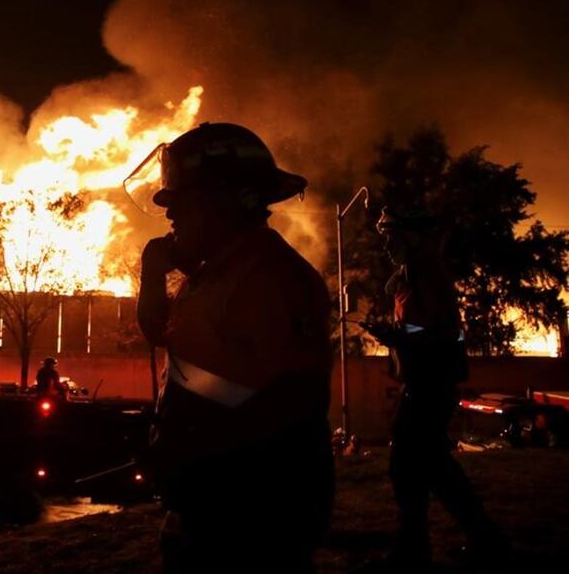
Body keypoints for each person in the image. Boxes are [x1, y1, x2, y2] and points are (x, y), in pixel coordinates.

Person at [128, 122, 334, 572]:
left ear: (225, 201)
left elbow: (296, 402)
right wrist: (152, 274)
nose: (170, 216)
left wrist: (195, 450)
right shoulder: (215, 273)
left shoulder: (272, 278)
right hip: (207, 497)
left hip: (255, 509)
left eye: (180, 202)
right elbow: (163, 335)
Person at [363, 207, 506, 569]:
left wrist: (392, 334)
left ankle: (418, 549)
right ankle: (476, 539)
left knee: (410, 467)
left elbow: (441, 332)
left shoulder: (426, 274)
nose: (386, 244)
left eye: (391, 236)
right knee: (430, 467)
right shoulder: (412, 274)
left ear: (411, 236)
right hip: (425, 381)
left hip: (430, 383)